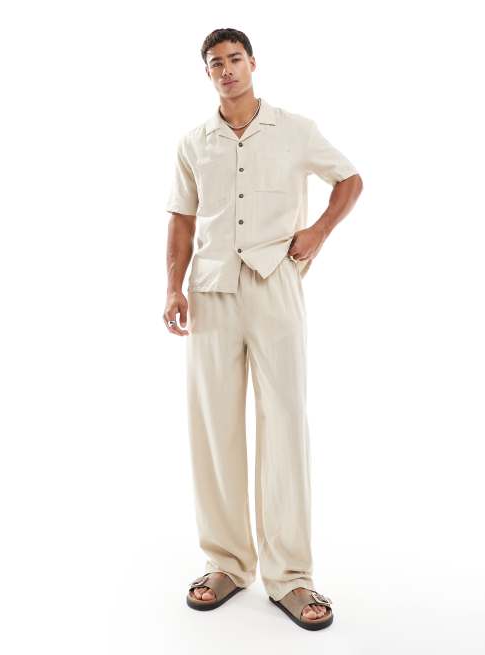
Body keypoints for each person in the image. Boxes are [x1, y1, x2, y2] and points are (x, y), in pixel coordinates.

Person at [163, 27, 363, 631]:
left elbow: (349, 179)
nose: (226, 69)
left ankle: (291, 576)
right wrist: (173, 287)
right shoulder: (193, 142)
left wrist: (318, 233)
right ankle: (226, 563)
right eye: (214, 63)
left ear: (253, 63)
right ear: (207, 73)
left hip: (276, 283)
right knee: (214, 428)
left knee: (284, 423)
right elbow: (181, 218)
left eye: (234, 58)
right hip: (211, 291)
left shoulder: (294, 129)